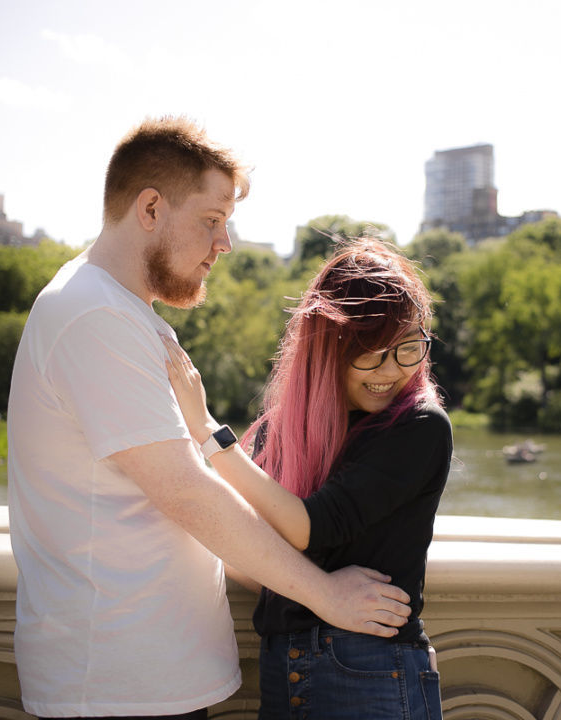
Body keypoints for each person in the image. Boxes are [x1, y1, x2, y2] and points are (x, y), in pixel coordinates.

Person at [7, 118, 411, 720]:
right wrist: (324, 594)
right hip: (116, 686)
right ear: (150, 208)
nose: (225, 244)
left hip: (143, 679)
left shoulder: (128, 316)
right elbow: (186, 493)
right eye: (212, 220)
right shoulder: (93, 314)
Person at [164, 238, 453, 719]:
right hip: (285, 667)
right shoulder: (285, 431)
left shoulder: (419, 426)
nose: (391, 372)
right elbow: (247, 544)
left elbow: (306, 527)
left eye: (406, 349)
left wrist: (210, 434)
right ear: (328, 349)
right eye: (370, 354)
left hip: (372, 669)